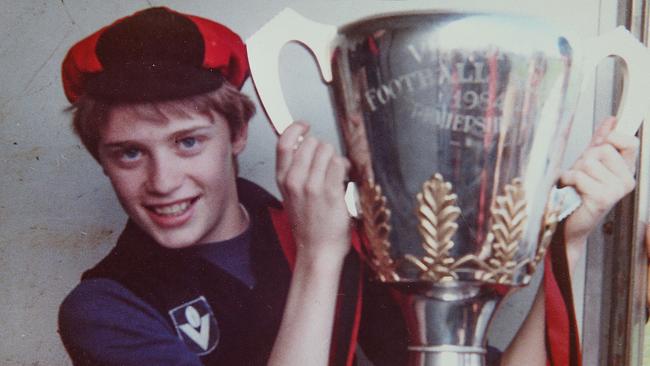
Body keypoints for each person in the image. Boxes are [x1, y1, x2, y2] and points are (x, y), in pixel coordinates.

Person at [56, 7, 638, 366]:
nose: (162, 182)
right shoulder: (105, 308)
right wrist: (318, 257)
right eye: (129, 152)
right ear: (101, 160)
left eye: (188, 142)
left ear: (236, 135)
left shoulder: (345, 238)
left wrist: (568, 238)